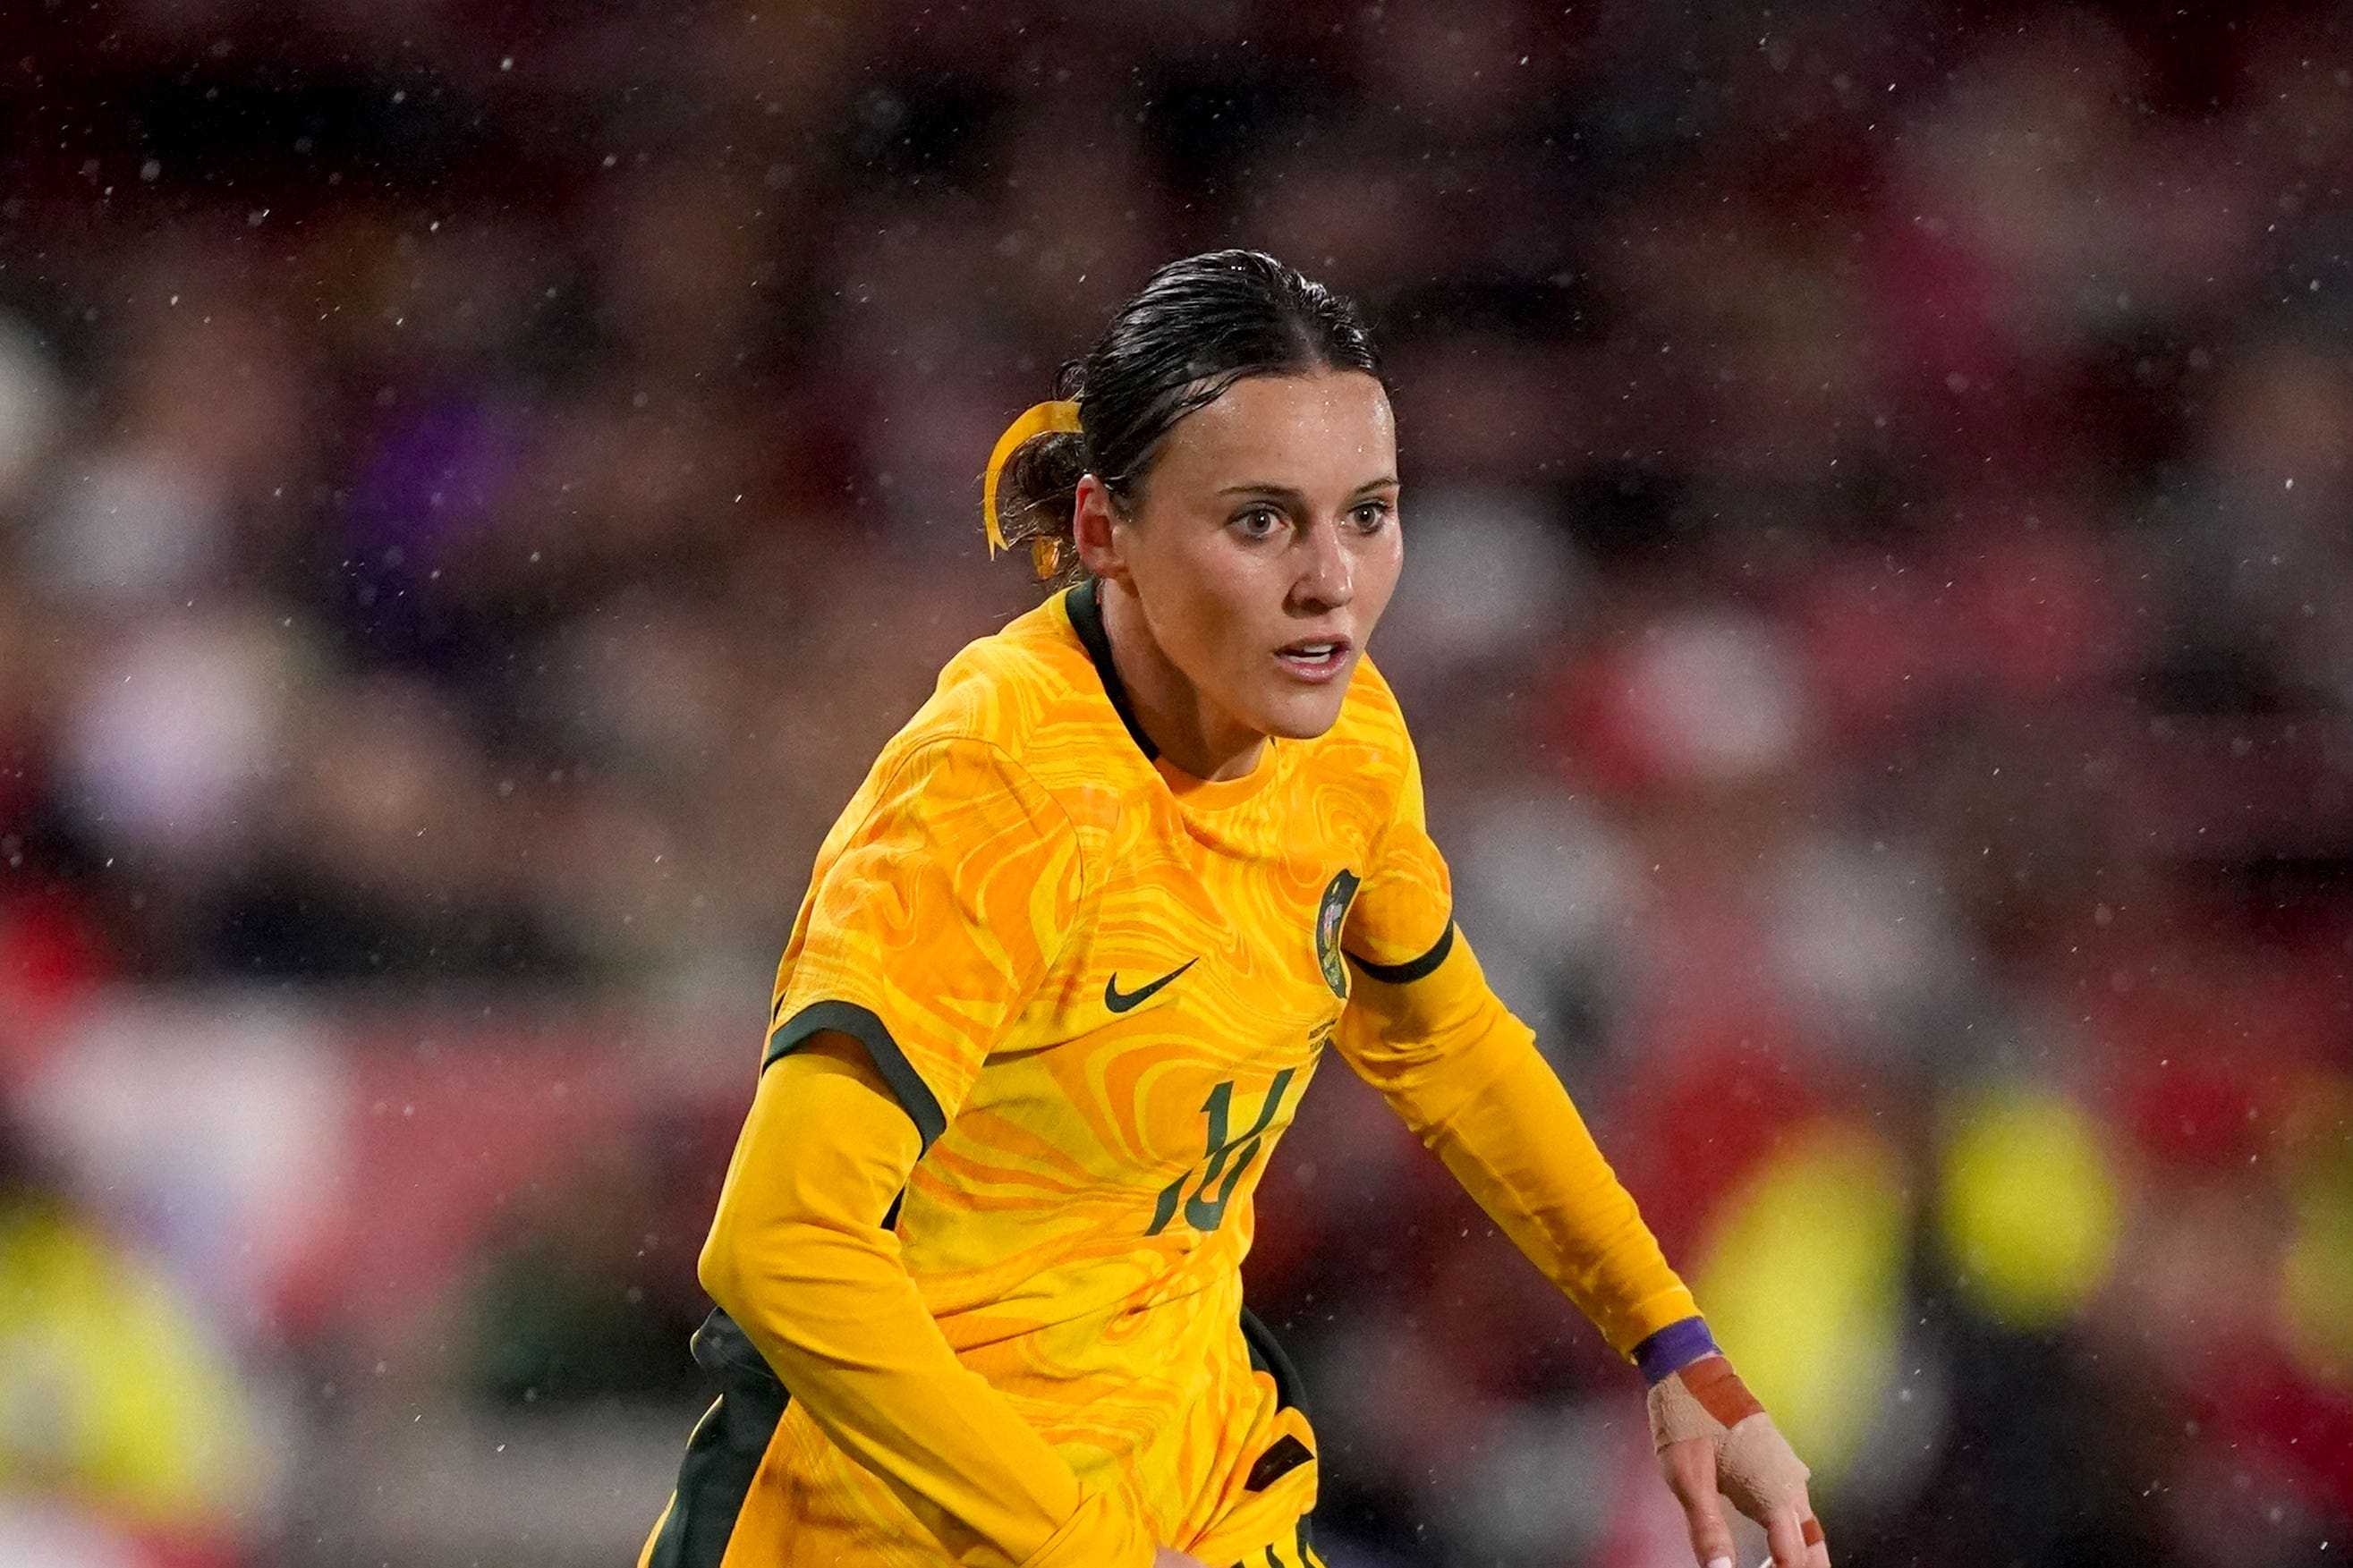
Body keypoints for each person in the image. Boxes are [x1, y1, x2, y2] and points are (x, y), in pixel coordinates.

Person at [639, 250, 1827, 1568]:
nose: (1330, 580)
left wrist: (1671, 1343)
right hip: (907, 1522)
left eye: (1365, 514)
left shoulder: (1345, 734)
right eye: (1259, 521)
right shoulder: (994, 792)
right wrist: (1078, 1547)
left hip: (1195, 1481)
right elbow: (782, 1243)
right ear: (1104, 531)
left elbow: (1445, 1042)